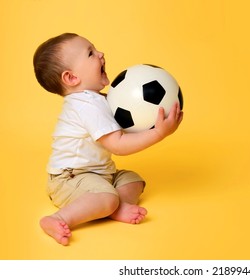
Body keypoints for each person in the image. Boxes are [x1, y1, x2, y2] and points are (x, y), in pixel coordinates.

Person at [33, 33, 183, 246]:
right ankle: (59, 219)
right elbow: (118, 144)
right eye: (91, 53)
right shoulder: (85, 105)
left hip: (100, 174)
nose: (101, 54)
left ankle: (114, 207)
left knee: (134, 180)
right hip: (68, 179)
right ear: (71, 78)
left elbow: (124, 127)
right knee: (107, 197)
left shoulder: (97, 100)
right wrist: (158, 133)